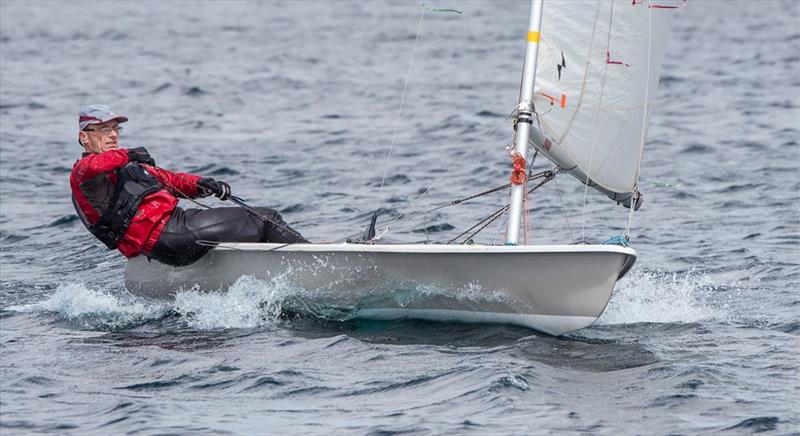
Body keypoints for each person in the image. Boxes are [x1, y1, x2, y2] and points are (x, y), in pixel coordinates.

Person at [70, 104, 308, 267]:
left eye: (115, 128)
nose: (112, 135)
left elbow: (171, 180)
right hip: (171, 233)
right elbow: (96, 166)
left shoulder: (128, 166)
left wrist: (205, 185)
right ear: (84, 137)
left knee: (249, 230)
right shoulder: (85, 172)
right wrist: (130, 153)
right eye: (104, 129)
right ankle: (313, 260)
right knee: (265, 219)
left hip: (167, 241)